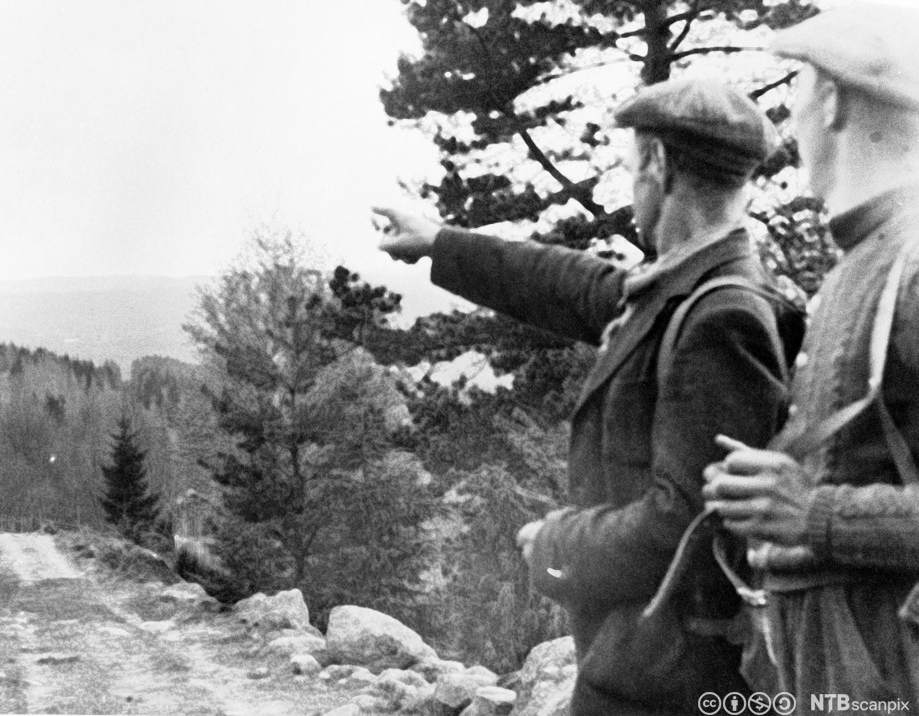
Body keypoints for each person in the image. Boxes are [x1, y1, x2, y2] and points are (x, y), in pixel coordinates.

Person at [375, 78, 803, 715]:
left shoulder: (721, 318)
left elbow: (683, 526)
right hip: (646, 668)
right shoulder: (686, 289)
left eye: (633, 166)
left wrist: (556, 543)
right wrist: (441, 242)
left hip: (672, 685)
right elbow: (571, 284)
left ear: (658, 165)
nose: (632, 184)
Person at [702, 3, 919, 707]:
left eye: (795, 90)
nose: (789, 123)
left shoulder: (910, 264)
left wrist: (816, 513)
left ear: (828, 100)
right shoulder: (864, 260)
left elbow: (821, 510)